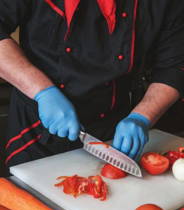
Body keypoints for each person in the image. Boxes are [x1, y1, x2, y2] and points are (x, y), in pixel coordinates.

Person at [0, 0, 183, 169]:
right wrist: (43, 92)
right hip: (38, 129)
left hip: (114, 130)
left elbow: (174, 66)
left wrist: (142, 116)